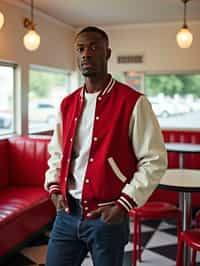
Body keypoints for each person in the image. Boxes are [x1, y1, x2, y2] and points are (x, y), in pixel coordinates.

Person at [44, 26, 167, 266]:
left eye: (93, 47)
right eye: (80, 49)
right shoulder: (67, 104)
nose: (86, 54)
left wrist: (123, 205)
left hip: (108, 216)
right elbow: (57, 152)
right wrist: (54, 187)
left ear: (107, 53)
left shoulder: (134, 102)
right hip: (67, 214)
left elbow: (154, 160)